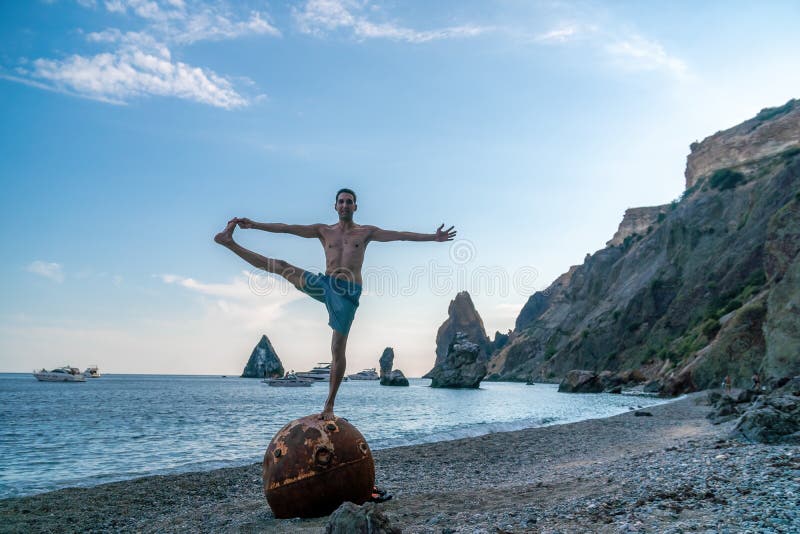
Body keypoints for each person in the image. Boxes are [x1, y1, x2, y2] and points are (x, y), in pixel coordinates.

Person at [214, 188, 456, 420]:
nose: (344, 205)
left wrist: (432, 238)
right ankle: (229, 243)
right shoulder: (323, 230)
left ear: (355, 206)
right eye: (341, 201)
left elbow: (401, 235)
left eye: (349, 201)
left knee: (337, 348)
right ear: (335, 206)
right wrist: (254, 225)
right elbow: (287, 229)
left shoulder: (366, 232)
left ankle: (329, 405)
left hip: (348, 294)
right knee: (279, 265)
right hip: (325, 283)